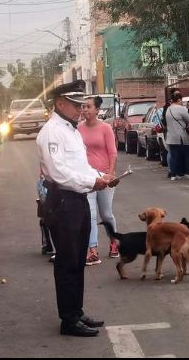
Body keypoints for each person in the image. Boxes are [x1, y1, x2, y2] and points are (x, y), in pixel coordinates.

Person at [36, 80, 116, 337]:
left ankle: (76, 311)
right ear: (60, 103)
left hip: (78, 198)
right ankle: (68, 319)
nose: (81, 109)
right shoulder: (52, 132)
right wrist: (92, 181)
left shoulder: (71, 130)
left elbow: (80, 167)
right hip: (64, 201)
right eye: (75, 104)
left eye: (82, 104)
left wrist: (100, 176)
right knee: (67, 262)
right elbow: (59, 173)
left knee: (78, 260)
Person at [79, 96, 119, 265]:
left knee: (106, 214)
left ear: (97, 110)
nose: (85, 110)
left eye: (88, 107)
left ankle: (114, 242)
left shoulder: (105, 128)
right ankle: (93, 250)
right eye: (83, 107)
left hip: (104, 176)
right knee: (90, 215)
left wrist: (109, 175)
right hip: (87, 178)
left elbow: (113, 153)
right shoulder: (78, 129)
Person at [165, 92, 189, 181]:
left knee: (174, 156)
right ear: (179, 100)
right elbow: (188, 120)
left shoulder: (168, 109)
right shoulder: (181, 108)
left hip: (171, 136)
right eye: (181, 100)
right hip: (182, 136)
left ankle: (173, 174)